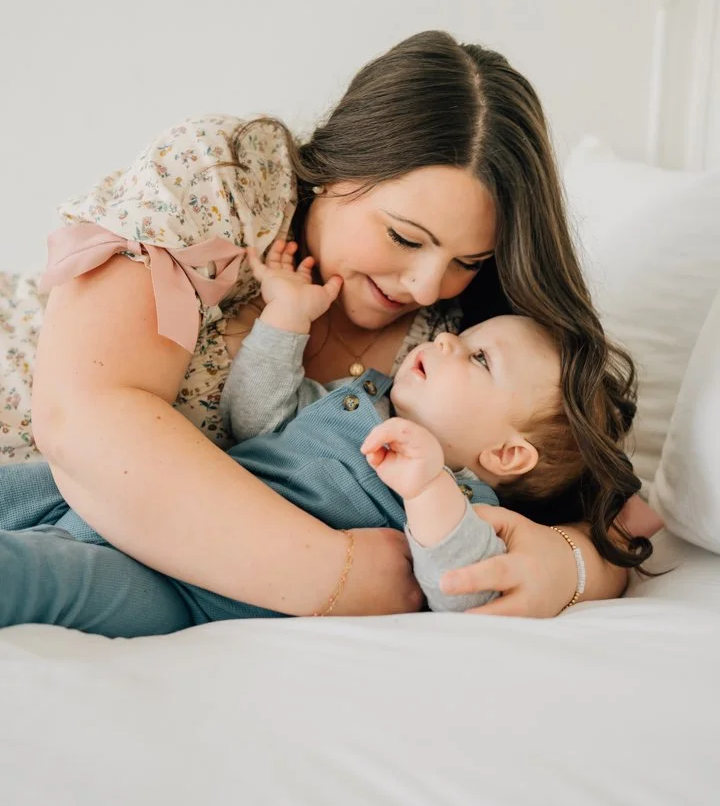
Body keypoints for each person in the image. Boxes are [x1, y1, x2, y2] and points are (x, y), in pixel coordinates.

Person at [2, 30, 659, 620]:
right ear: (337, 168)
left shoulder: (454, 350)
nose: (428, 286)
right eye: (404, 236)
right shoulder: (232, 182)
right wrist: (333, 574)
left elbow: (603, 510)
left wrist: (569, 564)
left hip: (116, 552)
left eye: (469, 260)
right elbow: (86, 421)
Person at [0, 240, 648, 635]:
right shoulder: (360, 398)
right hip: (145, 510)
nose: (448, 339)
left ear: (507, 454)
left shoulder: (462, 498)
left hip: (190, 594)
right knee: (31, 485)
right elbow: (252, 420)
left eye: (478, 360)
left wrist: (425, 488)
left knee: (47, 577)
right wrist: (286, 321)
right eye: (465, 338)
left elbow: (466, 586)